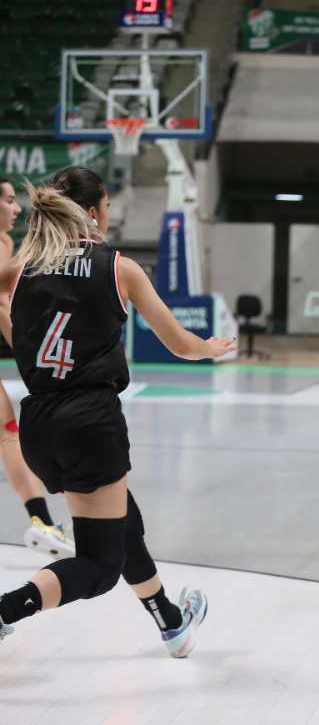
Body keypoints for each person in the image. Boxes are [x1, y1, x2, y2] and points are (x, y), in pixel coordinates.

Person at [0, 167, 235, 656]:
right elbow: (181, 344)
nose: (108, 216)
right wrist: (211, 348)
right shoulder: (120, 268)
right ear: (91, 212)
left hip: (39, 425)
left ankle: (171, 621)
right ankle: (7, 609)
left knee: (122, 521)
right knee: (99, 567)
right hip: (90, 421)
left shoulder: (21, 267)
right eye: (106, 207)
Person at [0, 176, 74, 557]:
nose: (16, 209)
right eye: (9, 200)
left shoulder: (8, 244)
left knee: (8, 430)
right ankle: (42, 522)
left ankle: (42, 521)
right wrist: (34, 358)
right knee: (8, 432)